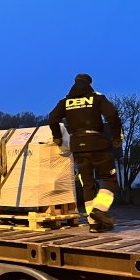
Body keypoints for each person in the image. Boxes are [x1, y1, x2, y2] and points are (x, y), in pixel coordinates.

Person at [49, 74, 123, 233]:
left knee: (87, 184)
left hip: (78, 146)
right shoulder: (97, 98)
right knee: (110, 180)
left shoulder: (66, 102)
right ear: (89, 84)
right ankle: (100, 210)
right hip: (97, 144)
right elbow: (112, 114)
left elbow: (53, 118)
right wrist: (116, 137)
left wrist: (57, 137)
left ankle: (94, 224)